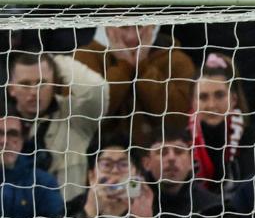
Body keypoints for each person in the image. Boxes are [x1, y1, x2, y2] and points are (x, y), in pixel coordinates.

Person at [74, 22, 196, 150]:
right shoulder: (85, 58)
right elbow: (84, 119)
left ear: (153, 26)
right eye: (123, 27)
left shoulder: (177, 61)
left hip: (160, 162)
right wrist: (124, 67)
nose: (132, 37)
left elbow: (178, 123)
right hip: (100, 160)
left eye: (139, 26)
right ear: (107, 27)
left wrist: (143, 68)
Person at [6, 51, 108, 199]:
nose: (34, 92)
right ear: (11, 89)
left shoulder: (77, 114)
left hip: (69, 216)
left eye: (42, 83)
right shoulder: (3, 122)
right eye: (25, 84)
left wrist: (54, 61)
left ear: (54, 84)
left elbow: (96, 88)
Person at [189, 51, 254, 195]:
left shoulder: (254, 140)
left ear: (234, 99)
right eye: (203, 97)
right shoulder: (182, 142)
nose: (212, 105)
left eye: (219, 95)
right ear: (193, 103)